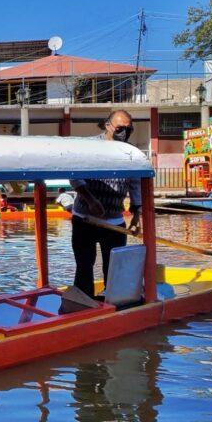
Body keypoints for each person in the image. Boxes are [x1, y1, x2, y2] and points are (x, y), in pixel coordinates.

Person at [69, 110, 143, 299]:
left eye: (129, 129)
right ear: (108, 126)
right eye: (120, 128)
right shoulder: (89, 147)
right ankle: (83, 304)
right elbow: (75, 176)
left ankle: (113, 305)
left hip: (114, 222)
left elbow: (136, 184)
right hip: (85, 219)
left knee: (113, 268)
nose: (124, 133)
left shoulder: (131, 152)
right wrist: (90, 200)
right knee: (84, 265)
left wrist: (136, 214)